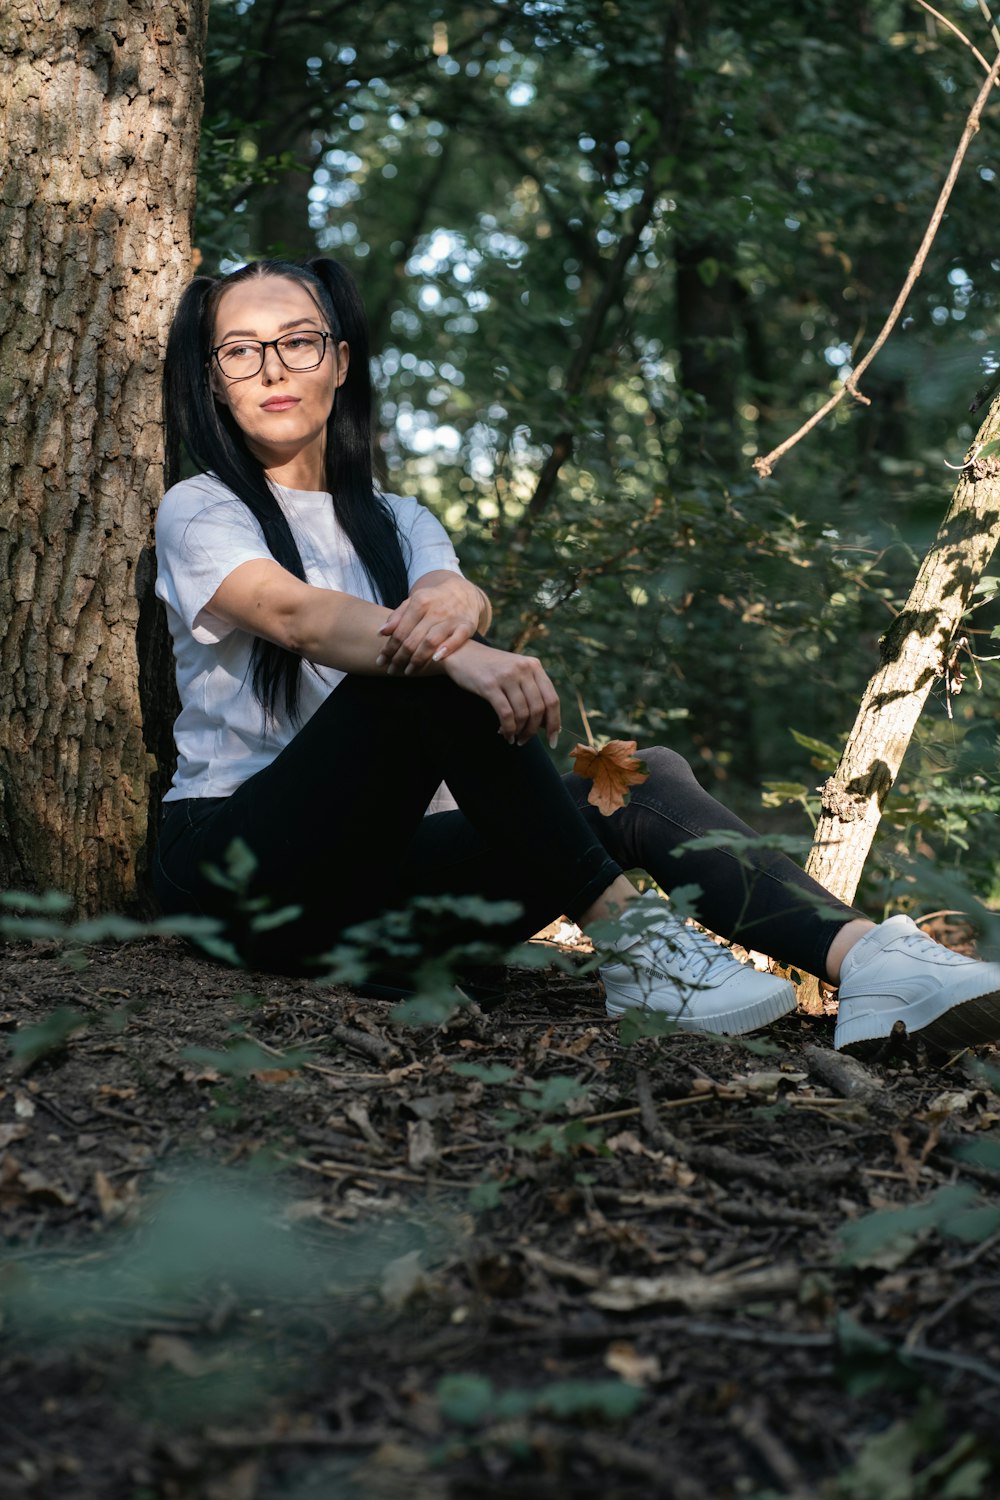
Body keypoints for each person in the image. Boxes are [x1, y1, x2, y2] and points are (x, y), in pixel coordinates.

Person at [153, 256, 1000, 1055]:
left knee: (640, 779)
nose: (271, 368)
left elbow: (449, 592)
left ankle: (872, 963)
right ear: (214, 381)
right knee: (422, 673)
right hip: (240, 875)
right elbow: (298, 615)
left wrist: (462, 608)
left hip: (378, 889)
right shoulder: (200, 509)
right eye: (239, 351)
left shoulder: (398, 519)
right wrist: (458, 649)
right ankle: (636, 945)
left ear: (339, 361)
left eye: (297, 342)